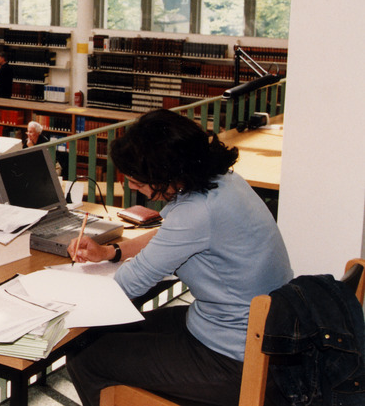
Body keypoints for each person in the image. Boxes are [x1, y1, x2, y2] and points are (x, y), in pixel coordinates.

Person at [65, 109, 293, 406]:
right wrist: (111, 251)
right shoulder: (223, 182)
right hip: (258, 339)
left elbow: (128, 286)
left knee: (85, 355)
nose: (132, 186)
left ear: (166, 172)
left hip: (235, 361)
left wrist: (57, 305)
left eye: (137, 180)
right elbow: (170, 236)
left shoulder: (197, 211)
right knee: (97, 337)